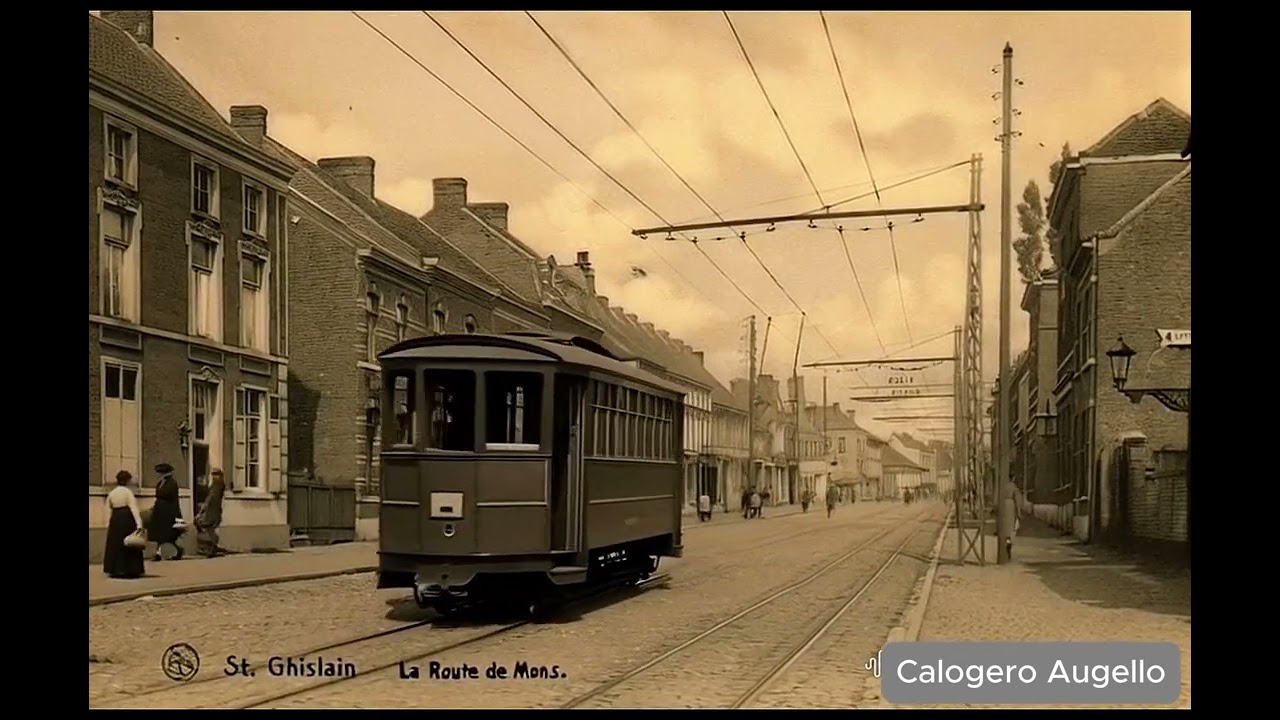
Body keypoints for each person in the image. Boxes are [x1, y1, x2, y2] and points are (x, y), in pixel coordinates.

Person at [103, 470, 146, 579]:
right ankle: (130, 569)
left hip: (115, 519)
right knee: (129, 543)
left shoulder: (112, 493)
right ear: (127, 481)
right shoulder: (127, 492)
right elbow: (133, 507)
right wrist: (139, 523)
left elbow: (108, 509)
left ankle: (115, 569)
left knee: (115, 544)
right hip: (127, 518)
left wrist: (108, 523)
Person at [147, 463, 185, 561]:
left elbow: (169, 496)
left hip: (168, 512)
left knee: (168, 535)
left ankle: (177, 550)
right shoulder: (160, 483)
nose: (157, 475)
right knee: (160, 535)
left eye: (159, 472)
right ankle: (159, 553)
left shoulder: (172, 483)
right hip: (159, 512)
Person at [196, 468, 226, 557]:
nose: (214, 476)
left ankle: (211, 547)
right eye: (213, 474)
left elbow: (211, 498)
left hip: (212, 510)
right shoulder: (219, 484)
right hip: (215, 509)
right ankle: (210, 546)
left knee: (208, 527)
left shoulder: (217, 485)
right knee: (209, 528)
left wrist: (203, 508)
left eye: (215, 474)